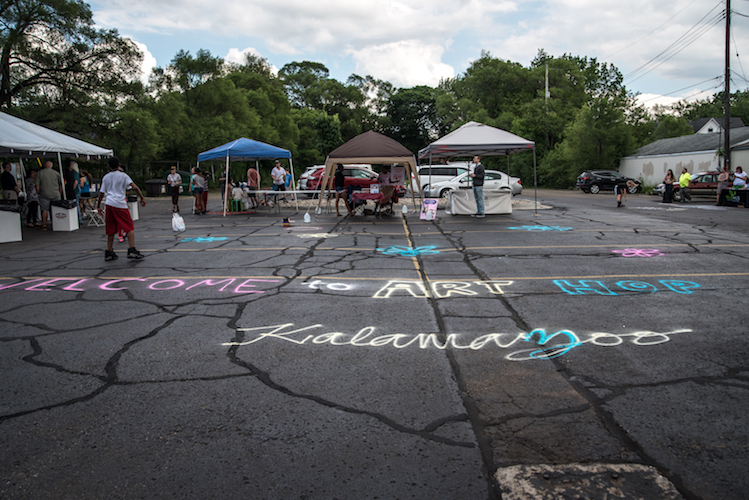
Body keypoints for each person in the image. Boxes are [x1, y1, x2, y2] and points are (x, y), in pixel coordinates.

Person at [97, 157, 146, 260]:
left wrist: (98, 206)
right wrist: (141, 197)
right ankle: (131, 249)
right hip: (120, 203)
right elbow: (134, 187)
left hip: (109, 203)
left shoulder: (106, 177)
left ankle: (109, 251)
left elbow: (101, 193)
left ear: (109, 166)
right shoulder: (123, 176)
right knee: (129, 227)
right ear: (119, 165)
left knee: (110, 228)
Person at [35, 160, 63, 230]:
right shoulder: (56, 173)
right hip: (55, 193)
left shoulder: (40, 173)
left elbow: (37, 185)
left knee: (44, 210)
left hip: (44, 194)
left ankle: (44, 224)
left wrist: (38, 192)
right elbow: (62, 183)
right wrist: (60, 192)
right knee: (56, 209)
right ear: (51, 166)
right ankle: (57, 224)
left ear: (45, 165)